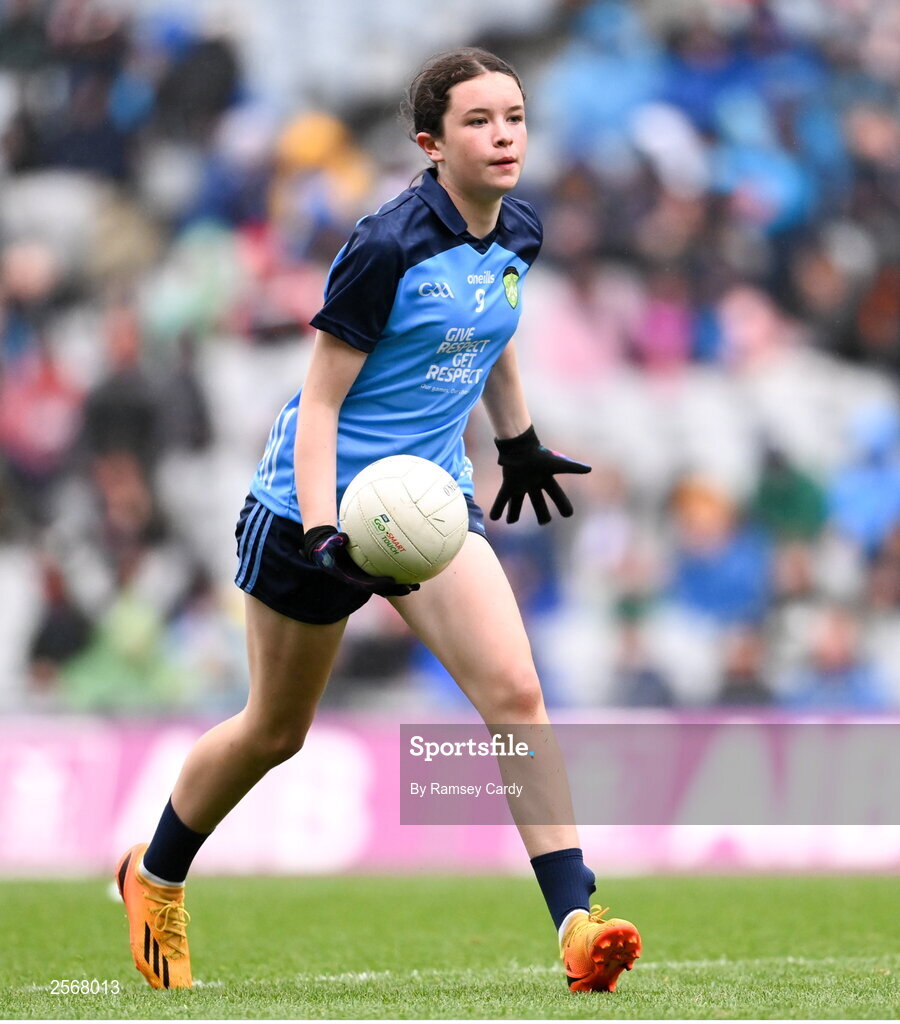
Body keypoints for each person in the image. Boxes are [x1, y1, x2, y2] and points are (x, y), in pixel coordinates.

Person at [115, 47, 641, 995]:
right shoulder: (387, 244)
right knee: (277, 731)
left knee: (517, 694)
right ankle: (152, 877)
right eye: (479, 122)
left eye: (514, 116)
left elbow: (494, 331)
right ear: (430, 145)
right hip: (313, 508)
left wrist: (516, 439)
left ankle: (576, 920)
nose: (505, 135)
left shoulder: (518, 227)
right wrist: (323, 531)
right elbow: (318, 407)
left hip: (429, 505)